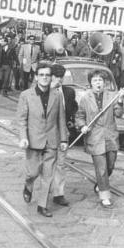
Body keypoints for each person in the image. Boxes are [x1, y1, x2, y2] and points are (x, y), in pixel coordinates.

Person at [17, 62, 68, 217]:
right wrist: (23, 137)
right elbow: (21, 119)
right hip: (33, 140)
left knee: (48, 175)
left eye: (47, 75)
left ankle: (42, 205)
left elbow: (61, 119)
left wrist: (64, 140)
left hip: (51, 141)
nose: (45, 78)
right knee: (32, 173)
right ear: (36, 77)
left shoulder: (57, 95)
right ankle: (28, 185)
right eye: (41, 75)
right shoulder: (26, 95)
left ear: (51, 77)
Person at [76, 69, 124, 208]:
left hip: (110, 136)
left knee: (110, 165)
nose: (98, 83)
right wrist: (82, 126)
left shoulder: (112, 96)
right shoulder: (85, 98)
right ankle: (104, 195)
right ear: (90, 83)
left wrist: (120, 100)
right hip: (95, 137)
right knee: (101, 168)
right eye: (95, 80)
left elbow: (119, 114)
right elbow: (79, 116)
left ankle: (100, 183)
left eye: (100, 80)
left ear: (104, 83)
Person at [50, 63, 78, 207]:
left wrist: (71, 121)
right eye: (56, 77)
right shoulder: (43, 91)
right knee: (45, 164)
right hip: (46, 134)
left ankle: (58, 194)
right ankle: (41, 185)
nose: (59, 80)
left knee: (61, 164)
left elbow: (73, 107)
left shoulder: (69, 92)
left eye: (61, 77)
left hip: (62, 133)